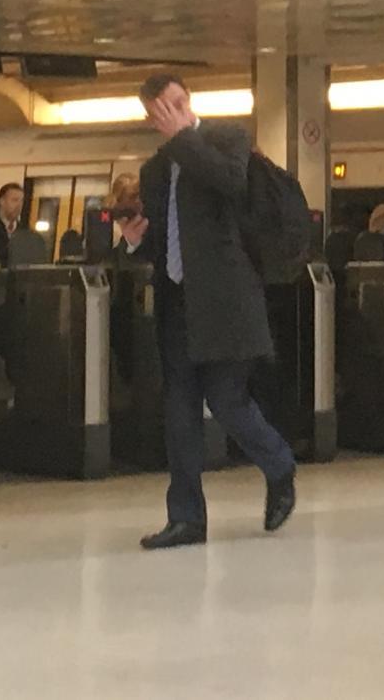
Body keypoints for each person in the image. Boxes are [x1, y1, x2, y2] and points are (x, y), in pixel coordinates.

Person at [124, 72, 296, 550]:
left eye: (179, 102)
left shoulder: (226, 139)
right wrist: (138, 243)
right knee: (179, 410)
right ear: (151, 116)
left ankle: (279, 464)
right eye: (164, 109)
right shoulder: (155, 171)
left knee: (226, 400)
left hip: (227, 302)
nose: (175, 113)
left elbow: (229, 183)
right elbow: (168, 240)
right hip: (178, 303)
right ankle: (186, 518)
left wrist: (183, 139)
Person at [0, 182, 29, 266]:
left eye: (21, 201)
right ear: (2, 201)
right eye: (14, 200)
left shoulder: (25, 232)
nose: (19, 205)